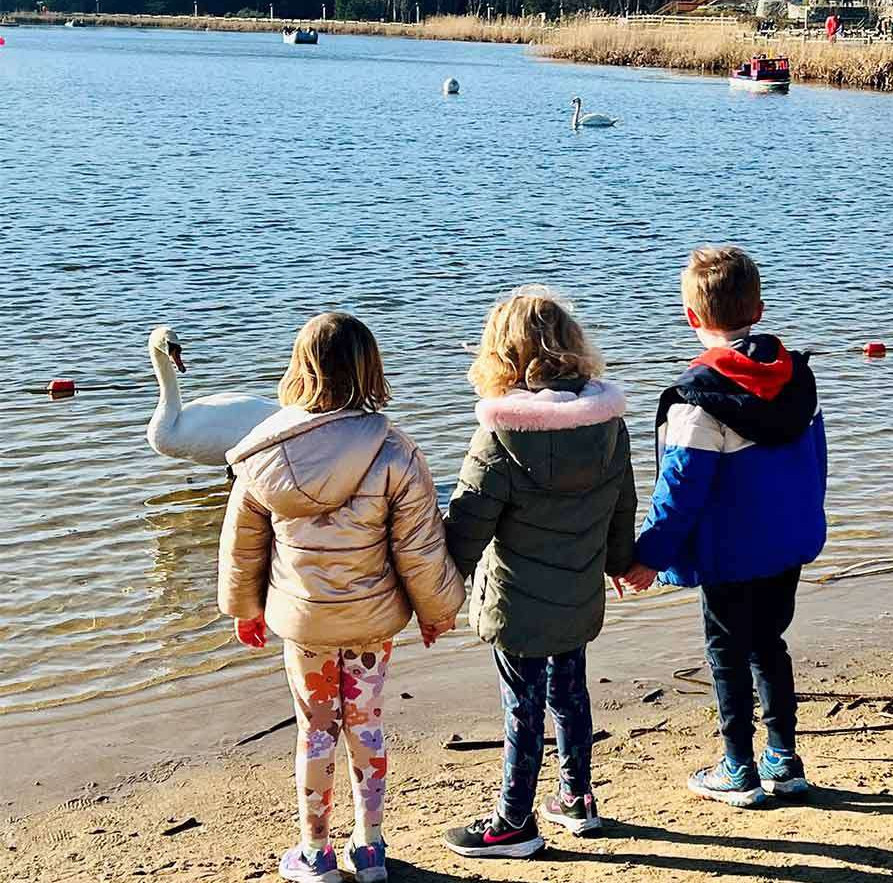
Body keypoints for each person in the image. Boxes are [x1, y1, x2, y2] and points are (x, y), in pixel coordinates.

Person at [218, 312, 465, 883]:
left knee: (315, 729)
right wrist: (437, 611)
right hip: (372, 622)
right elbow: (420, 549)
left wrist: (247, 609)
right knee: (367, 724)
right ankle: (371, 848)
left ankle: (315, 853)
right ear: (369, 368)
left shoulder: (262, 453)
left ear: (299, 369)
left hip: (303, 623)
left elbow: (243, 548)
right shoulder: (395, 451)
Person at [621, 247, 827, 808]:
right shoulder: (797, 378)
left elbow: (680, 488)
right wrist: (810, 520)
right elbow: (817, 463)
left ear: (691, 317)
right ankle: (784, 760)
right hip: (788, 542)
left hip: (730, 555)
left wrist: (649, 554)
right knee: (769, 643)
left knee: (726, 652)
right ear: (757, 309)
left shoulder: (697, 402)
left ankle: (738, 766)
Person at [441, 287, 636, 858]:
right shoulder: (607, 426)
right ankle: (577, 798)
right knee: (570, 693)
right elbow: (621, 507)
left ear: (500, 358)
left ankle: (513, 821)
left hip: (515, 603)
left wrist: (435, 591)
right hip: (578, 592)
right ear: (572, 346)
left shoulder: (501, 436)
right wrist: (622, 563)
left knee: (521, 706)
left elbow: (466, 532)